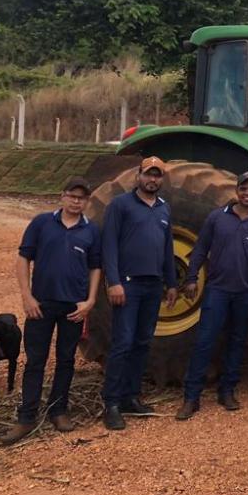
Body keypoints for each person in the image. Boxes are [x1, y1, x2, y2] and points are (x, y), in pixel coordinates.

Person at [0, 177, 102, 445]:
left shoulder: (91, 230)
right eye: (72, 196)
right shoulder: (41, 223)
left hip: (73, 307)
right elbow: (23, 258)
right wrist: (27, 296)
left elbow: (95, 267)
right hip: (41, 305)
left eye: (81, 198)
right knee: (36, 360)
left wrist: (90, 300)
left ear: (86, 201)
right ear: (62, 196)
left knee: (66, 359)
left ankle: (58, 411)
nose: (76, 201)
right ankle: (26, 417)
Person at [176, 172, 248, 420]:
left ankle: (227, 390)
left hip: (246, 293)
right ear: (237, 191)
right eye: (244, 189)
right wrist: (191, 277)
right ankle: (191, 397)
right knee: (204, 341)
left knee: (237, 341)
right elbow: (200, 248)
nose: (247, 193)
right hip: (218, 290)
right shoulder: (217, 218)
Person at [101, 157, 178, 430]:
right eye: (148, 174)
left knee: (143, 342)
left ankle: (130, 397)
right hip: (128, 284)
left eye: (157, 176)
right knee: (122, 342)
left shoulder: (164, 208)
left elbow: (167, 248)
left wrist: (172, 283)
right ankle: (111, 403)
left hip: (153, 285)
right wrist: (114, 281)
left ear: (161, 179)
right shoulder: (120, 205)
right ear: (139, 175)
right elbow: (109, 244)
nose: (152, 180)